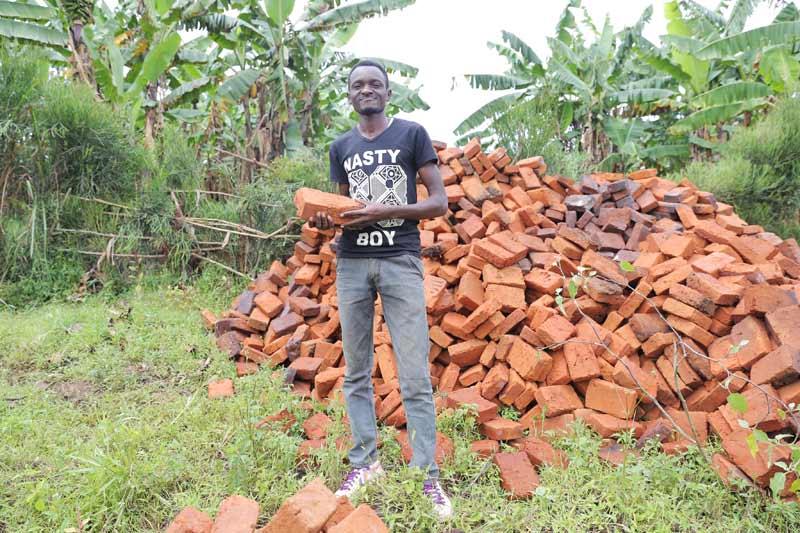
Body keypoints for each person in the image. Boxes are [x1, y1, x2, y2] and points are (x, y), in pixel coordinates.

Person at [309, 59, 451, 519]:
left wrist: (381, 212)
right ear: (349, 96)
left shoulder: (411, 135)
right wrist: (326, 220)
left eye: (375, 84)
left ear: (389, 94)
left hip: (399, 260)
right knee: (355, 372)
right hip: (351, 264)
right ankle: (365, 463)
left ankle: (427, 476)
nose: (366, 90)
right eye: (358, 85)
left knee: (413, 374)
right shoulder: (341, 146)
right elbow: (341, 206)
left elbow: (438, 203)